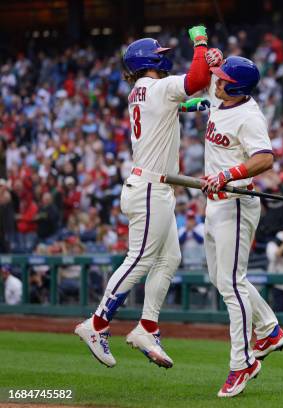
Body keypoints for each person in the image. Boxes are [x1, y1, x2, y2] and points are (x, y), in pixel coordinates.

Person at [74, 27, 215, 369]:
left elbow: (170, 107)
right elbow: (196, 78)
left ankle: (147, 327)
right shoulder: (159, 87)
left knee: (169, 259)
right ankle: (96, 324)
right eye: (160, 52)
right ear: (149, 60)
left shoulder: (142, 91)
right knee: (138, 260)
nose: (165, 55)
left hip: (151, 187)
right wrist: (200, 42)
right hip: (151, 188)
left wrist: (193, 105)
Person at [198, 56, 283, 398]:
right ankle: (269, 329)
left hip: (237, 201)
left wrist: (227, 174)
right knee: (221, 279)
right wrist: (212, 55)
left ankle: (242, 363)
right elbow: (209, 75)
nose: (216, 82)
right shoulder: (221, 94)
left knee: (231, 285)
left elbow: (264, 158)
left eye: (221, 79)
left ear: (236, 87)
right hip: (215, 203)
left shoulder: (249, 115)